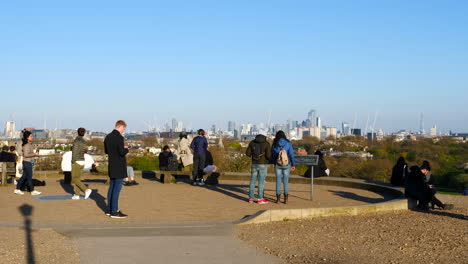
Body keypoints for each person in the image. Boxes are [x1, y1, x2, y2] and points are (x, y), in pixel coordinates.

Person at [104, 120, 129, 218]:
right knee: (117, 189)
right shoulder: (119, 137)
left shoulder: (108, 137)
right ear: (121, 126)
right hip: (119, 165)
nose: (123, 131)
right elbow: (121, 152)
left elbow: (107, 151)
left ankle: (109, 210)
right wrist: (126, 149)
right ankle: (114, 211)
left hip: (112, 165)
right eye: (124, 129)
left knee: (111, 188)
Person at [270, 130, 296, 204]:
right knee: (286, 182)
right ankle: (286, 199)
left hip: (277, 164)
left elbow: (273, 155)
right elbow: (291, 155)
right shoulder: (288, 143)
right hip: (286, 165)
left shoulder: (275, 143)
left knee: (278, 181)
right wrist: (293, 164)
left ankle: (278, 199)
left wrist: (273, 163)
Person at [246, 134, 271, 204]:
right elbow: (268, 155)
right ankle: (260, 199)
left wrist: (253, 155)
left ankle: (251, 198)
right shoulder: (266, 143)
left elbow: (247, 153)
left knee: (252, 181)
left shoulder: (252, 142)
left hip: (254, 164)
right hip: (263, 164)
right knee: (261, 182)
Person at [14, 131, 41, 195]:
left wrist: (34, 154)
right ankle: (32, 191)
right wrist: (35, 154)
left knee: (24, 177)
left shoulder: (28, 144)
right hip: (27, 162)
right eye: (31, 136)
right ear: (27, 137)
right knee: (29, 177)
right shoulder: (27, 145)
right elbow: (26, 155)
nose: (32, 137)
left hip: (26, 162)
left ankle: (17, 189)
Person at [71, 128, 93, 200]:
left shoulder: (76, 140)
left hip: (77, 161)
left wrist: (73, 161)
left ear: (77, 132)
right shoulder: (84, 141)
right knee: (78, 179)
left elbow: (74, 151)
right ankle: (77, 195)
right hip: (82, 160)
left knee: (74, 179)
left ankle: (86, 190)